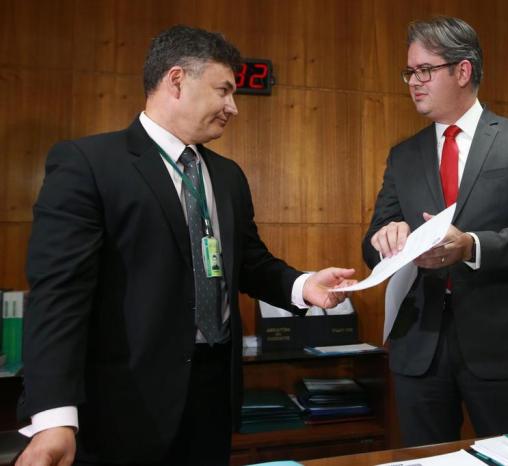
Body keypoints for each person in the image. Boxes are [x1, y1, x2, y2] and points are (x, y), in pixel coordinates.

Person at [17, 25, 355, 466]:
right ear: (177, 80)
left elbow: (249, 262)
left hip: (213, 395)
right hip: (124, 407)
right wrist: (53, 417)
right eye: (224, 91)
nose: (233, 107)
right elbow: (58, 296)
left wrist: (304, 285)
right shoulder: (89, 165)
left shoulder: (228, 176)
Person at [363, 16, 508, 447]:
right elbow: (374, 236)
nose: (413, 82)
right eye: (409, 72)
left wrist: (470, 245)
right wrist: (384, 238)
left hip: (500, 347)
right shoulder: (404, 155)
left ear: (463, 70)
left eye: (424, 71)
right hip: (419, 347)